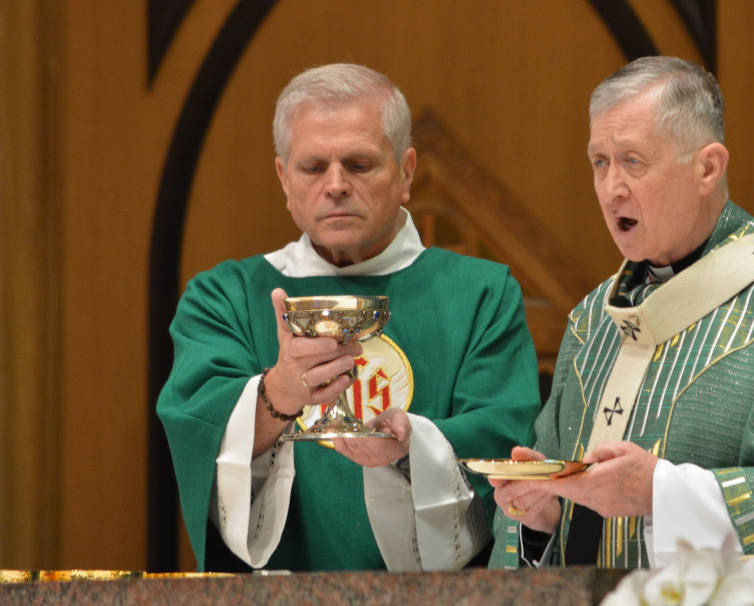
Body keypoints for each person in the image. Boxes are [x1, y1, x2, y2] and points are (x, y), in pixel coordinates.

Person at [488, 56, 754, 572]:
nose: (610, 188)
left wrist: (663, 494)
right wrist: (544, 520)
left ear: (708, 168)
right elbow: (563, 531)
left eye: (633, 161)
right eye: (600, 161)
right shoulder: (593, 324)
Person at [156, 63, 540, 572]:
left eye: (359, 165)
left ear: (406, 172)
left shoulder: (481, 294)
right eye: (313, 168)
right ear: (283, 179)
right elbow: (196, 428)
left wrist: (410, 447)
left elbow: (503, 437)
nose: (335, 185)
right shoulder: (222, 296)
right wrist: (278, 395)